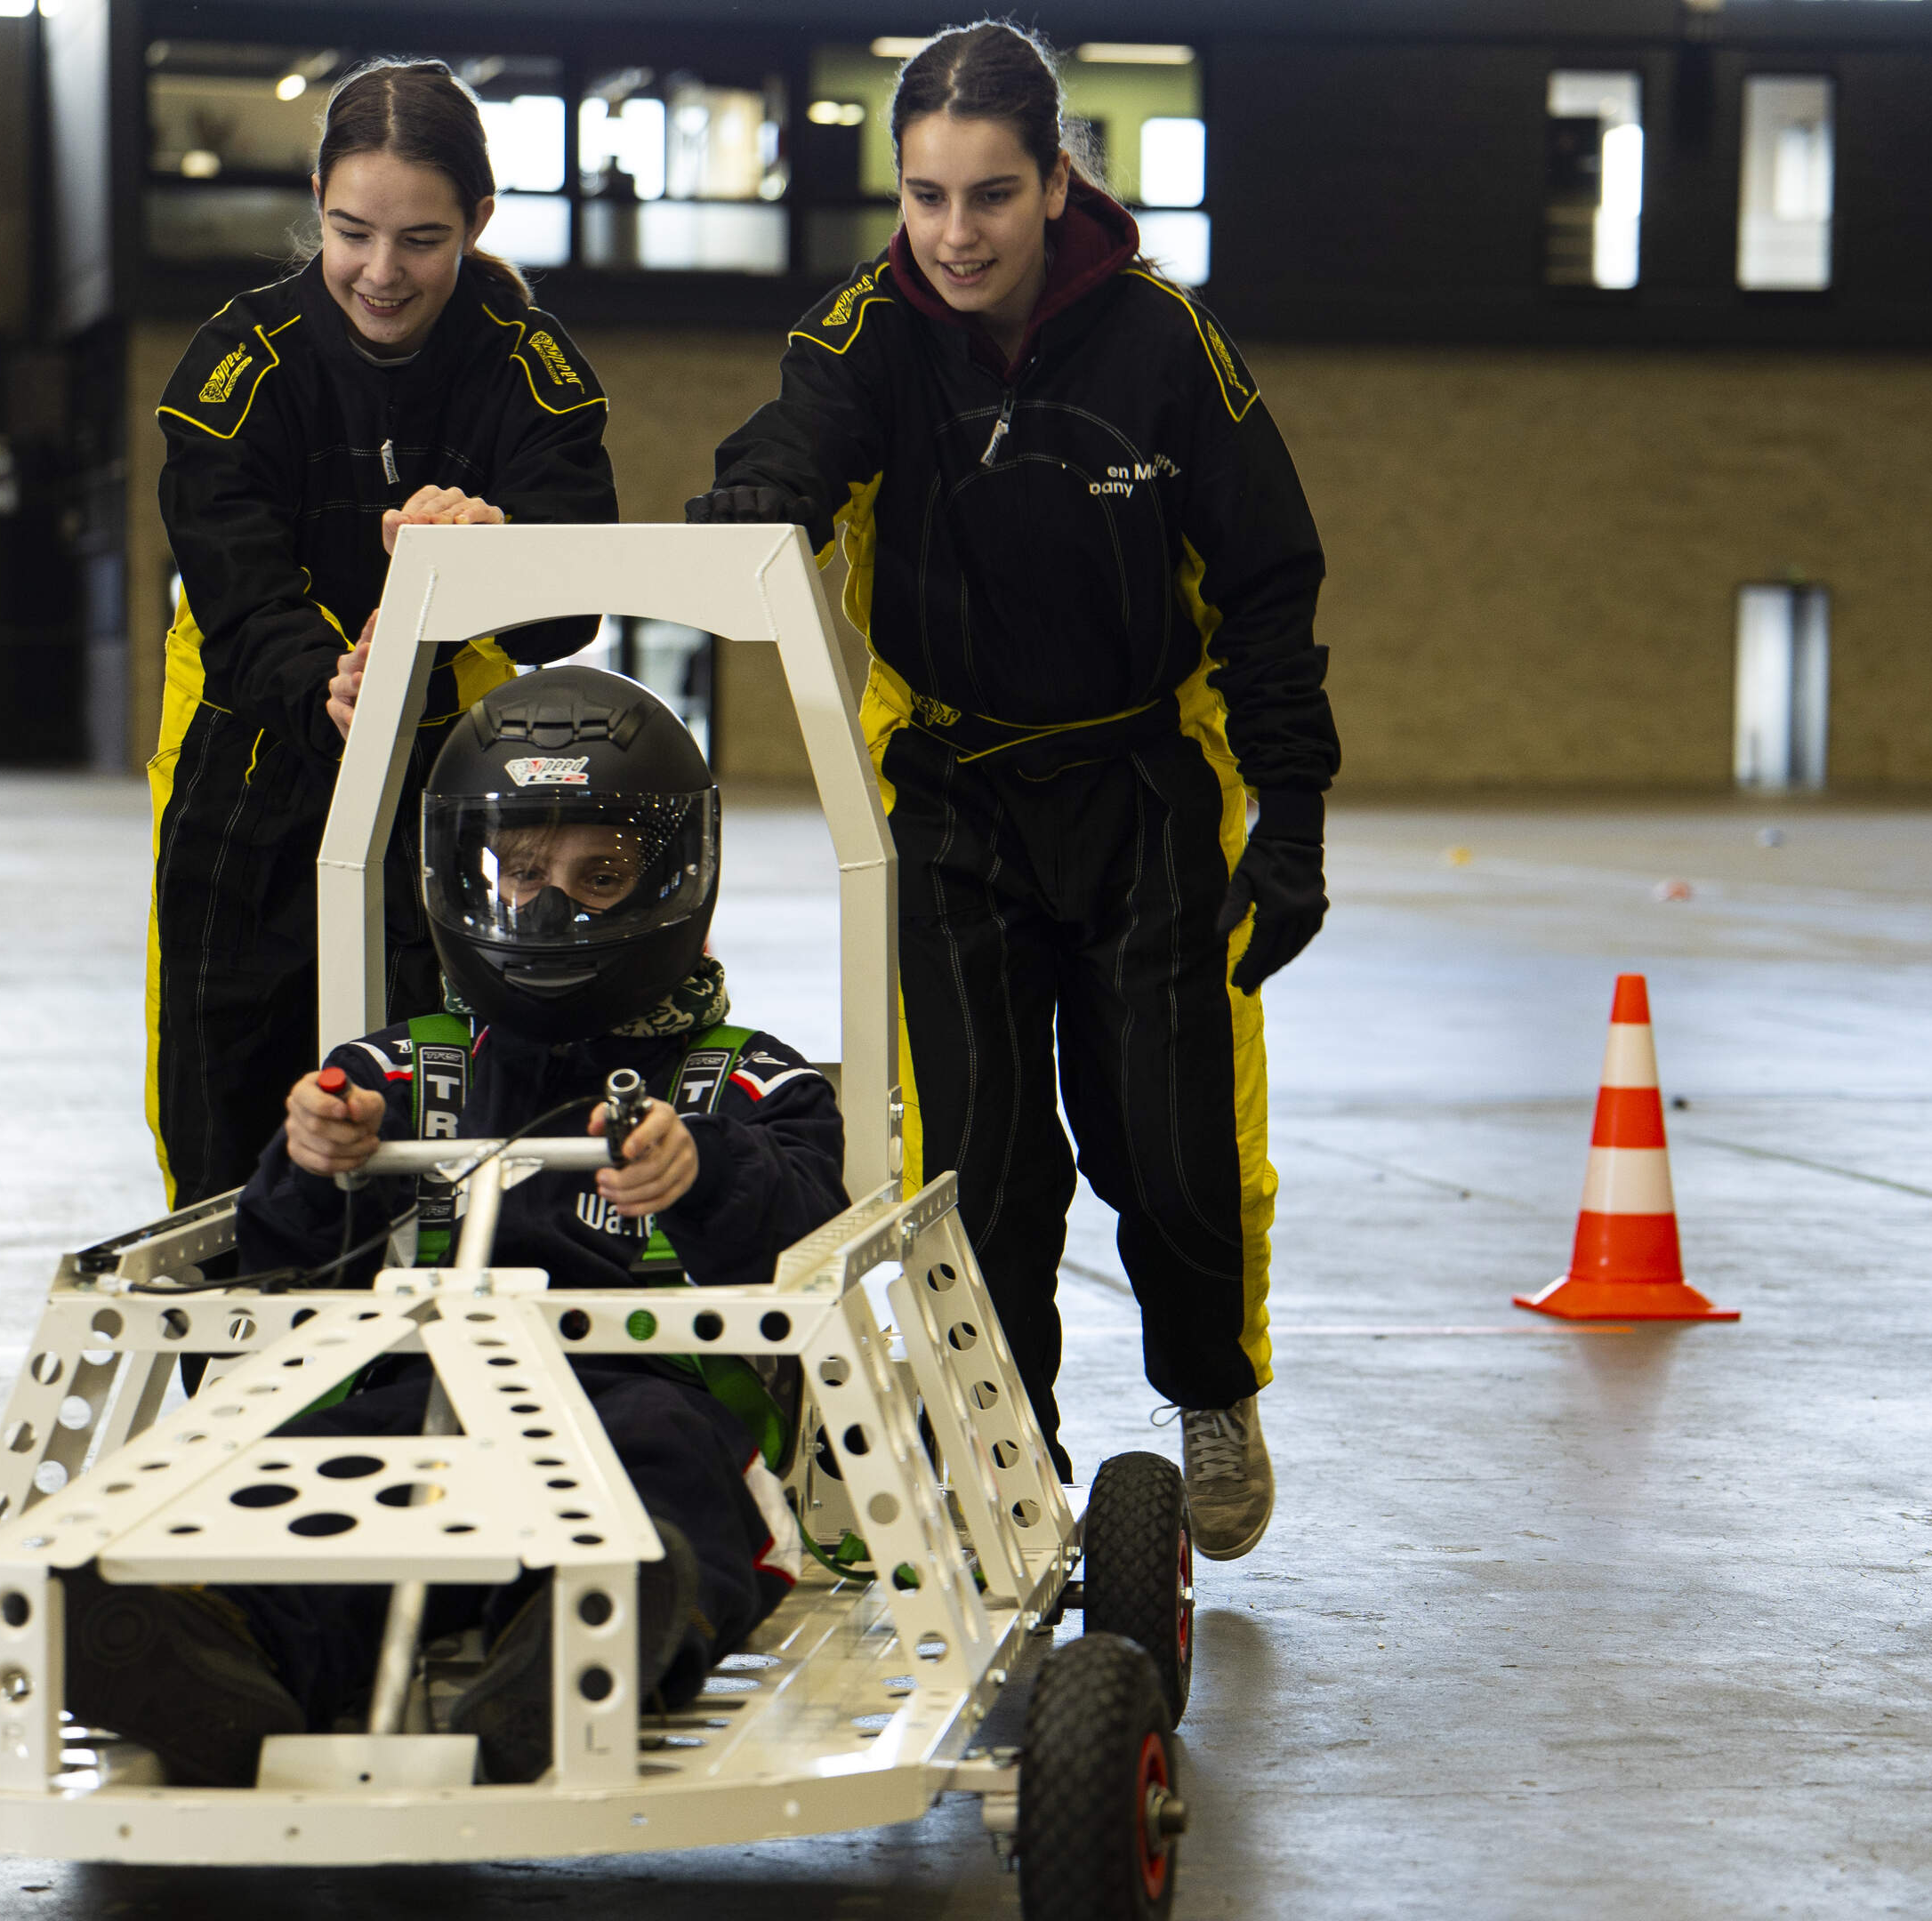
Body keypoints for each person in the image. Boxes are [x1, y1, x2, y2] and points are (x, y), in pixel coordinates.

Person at [685, 21, 1333, 1560]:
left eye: (988, 195)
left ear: (1055, 183)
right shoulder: (869, 332)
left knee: (1172, 1146)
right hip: (951, 794)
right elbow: (804, 432)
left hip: (1144, 790)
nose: (955, 235)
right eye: (924, 197)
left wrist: (1293, 821)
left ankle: (1211, 1391)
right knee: (983, 1163)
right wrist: (768, 491)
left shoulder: (1167, 346)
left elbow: (1267, 586)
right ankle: (1005, 1451)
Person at [65, 668, 850, 1788]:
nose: (547, 910)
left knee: (667, 1475)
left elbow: (810, 1241)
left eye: (600, 878)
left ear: (680, 880)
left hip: (647, 1392)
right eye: (520, 873)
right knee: (314, 1468)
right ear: (461, 873)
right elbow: (287, 1270)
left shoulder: (753, 1082)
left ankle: (577, 1644)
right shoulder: (397, 1069)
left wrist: (704, 1169)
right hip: (426, 1389)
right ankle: (219, 1642)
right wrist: (322, 1159)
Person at [148, 59, 618, 1212]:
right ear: (317, 200)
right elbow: (239, 589)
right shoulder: (240, 363)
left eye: (422, 240)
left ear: (479, 222)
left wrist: (499, 550)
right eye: (352, 233)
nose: (381, 272)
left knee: (439, 1098)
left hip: (452, 779)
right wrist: (328, 684)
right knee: (225, 1107)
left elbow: (571, 606)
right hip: (248, 765)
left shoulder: (528, 363)